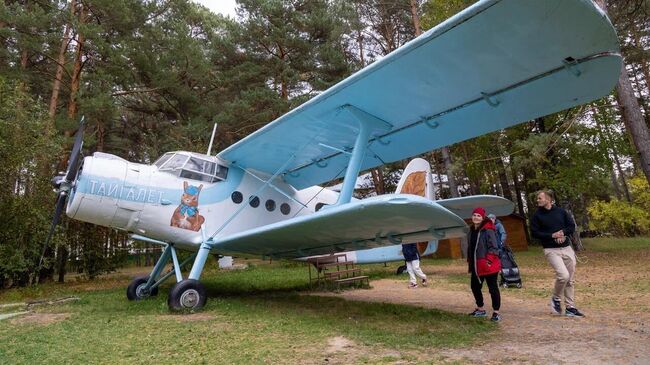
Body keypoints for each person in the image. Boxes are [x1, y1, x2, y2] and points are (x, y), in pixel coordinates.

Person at [531, 190, 584, 317]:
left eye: (539, 198)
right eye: (537, 199)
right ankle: (556, 298)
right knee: (563, 275)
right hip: (551, 250)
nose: (537, 200)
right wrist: (552, 235)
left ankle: (570, 308)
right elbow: (534, 233)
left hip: (566, 249)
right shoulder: (537, 216)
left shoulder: (561, 212)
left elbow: (571, 226)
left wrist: (563, 233)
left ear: (548, 199)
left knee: (570, 280)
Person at [467, 207, 502, 322]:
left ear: (483, 218)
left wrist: (489, 260)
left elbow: (494, 247)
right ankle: (480, 309)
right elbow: (471, 248)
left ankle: (496, 312)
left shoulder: (488, 230)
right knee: (475, 286)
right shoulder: (471, 230)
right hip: (476, 266)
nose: (476, 217)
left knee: (493, 289)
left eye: (478, 216)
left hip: (488, 265)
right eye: (474, 215)